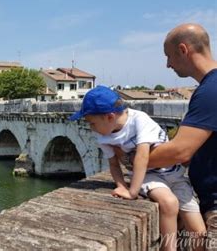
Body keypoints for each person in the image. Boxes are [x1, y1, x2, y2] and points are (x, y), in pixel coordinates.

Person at [70, 85, 206, 251]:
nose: (91, 128)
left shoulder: (139, 119)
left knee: (199, 233)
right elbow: (113, 164)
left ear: (110, 117)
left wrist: (132, 192)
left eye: (92, 123)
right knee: (169, 203)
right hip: (148, 176)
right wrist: (121, 185)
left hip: (174, 174)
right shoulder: (103, 136)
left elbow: (142, 156)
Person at [147, 23, 217, 250]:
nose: (167, 64)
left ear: (183, 50)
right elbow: (193, 150)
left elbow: (180, 150)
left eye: (169, 56)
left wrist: (132, 159)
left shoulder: (211, 91)